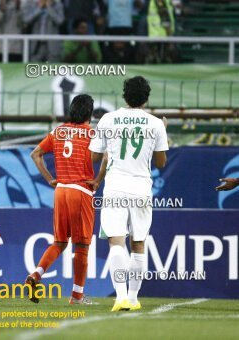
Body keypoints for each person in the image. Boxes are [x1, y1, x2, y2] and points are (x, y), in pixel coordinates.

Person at [88, 76, 169, 312]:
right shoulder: (155, 123)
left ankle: (121, 297)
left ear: (124, 96)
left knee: (116, 242)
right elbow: (161, 162)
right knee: (139, 243)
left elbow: (94, 157)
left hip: (115, 186)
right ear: (146, 98)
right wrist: (162, 132)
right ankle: (133, 299)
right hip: (142, 187)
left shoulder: (108, 119)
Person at [25, 95, 97, 304]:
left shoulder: (58, 131)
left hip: (61, 190)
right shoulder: (91, 134)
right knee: (81, 246)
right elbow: (104, 157)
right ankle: (76, 296)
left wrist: (49, 179)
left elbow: (35, 154)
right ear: (89, 114)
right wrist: (98, 179)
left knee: (59, 242)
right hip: (81, 191)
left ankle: (36, 274)